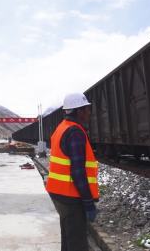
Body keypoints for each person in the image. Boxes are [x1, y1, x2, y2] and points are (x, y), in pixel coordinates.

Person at [45, 92, 99, 251]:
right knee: (77, 244)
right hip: (71, 197)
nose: (89, 112)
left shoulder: (61, 128)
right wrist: (88, 203)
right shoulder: (75, 132)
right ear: (79, 111)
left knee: (68, 240)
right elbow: (78, 171)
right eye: (87, 109)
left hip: (59, 194)